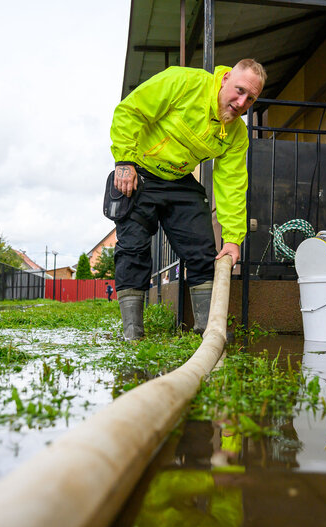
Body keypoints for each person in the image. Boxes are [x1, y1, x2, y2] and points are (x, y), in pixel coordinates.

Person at [109, 59, 266, 340]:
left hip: (180, 180)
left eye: (250, 98)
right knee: (132, 249)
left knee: (203, 252)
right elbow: (131, 111)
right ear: (226, 78)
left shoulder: (236, 134)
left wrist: (232, 238)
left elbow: (231, 185)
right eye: (239, 90)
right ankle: (132, 332)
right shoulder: (184, 82)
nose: (242, 102)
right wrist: (124, 161)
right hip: (141, 171)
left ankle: (206, 328)